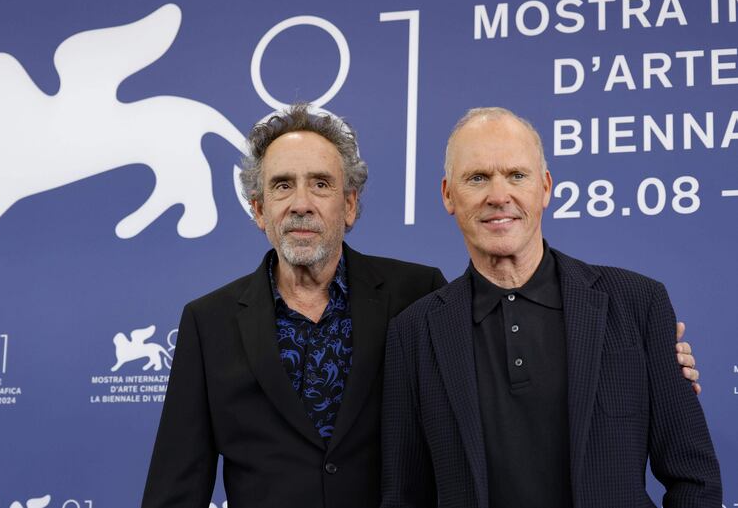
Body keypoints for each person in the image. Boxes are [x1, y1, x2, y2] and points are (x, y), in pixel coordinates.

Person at [141, 104, 700, 508]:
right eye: (283, 187)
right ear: (259, 209)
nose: (302, 203)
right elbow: (176, 486)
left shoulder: (415, 298)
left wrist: (656, 364)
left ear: (351, 204)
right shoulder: (207, 323)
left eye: (321, 184)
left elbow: (690, 472)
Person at [381, 107, 721, 508]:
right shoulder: (414, 333)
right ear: (448, 195)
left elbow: (695, 480)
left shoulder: (637, 303)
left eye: (516, 175)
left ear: (544, 188)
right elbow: (404, 497)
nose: (498, 195)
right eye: (477, 178)